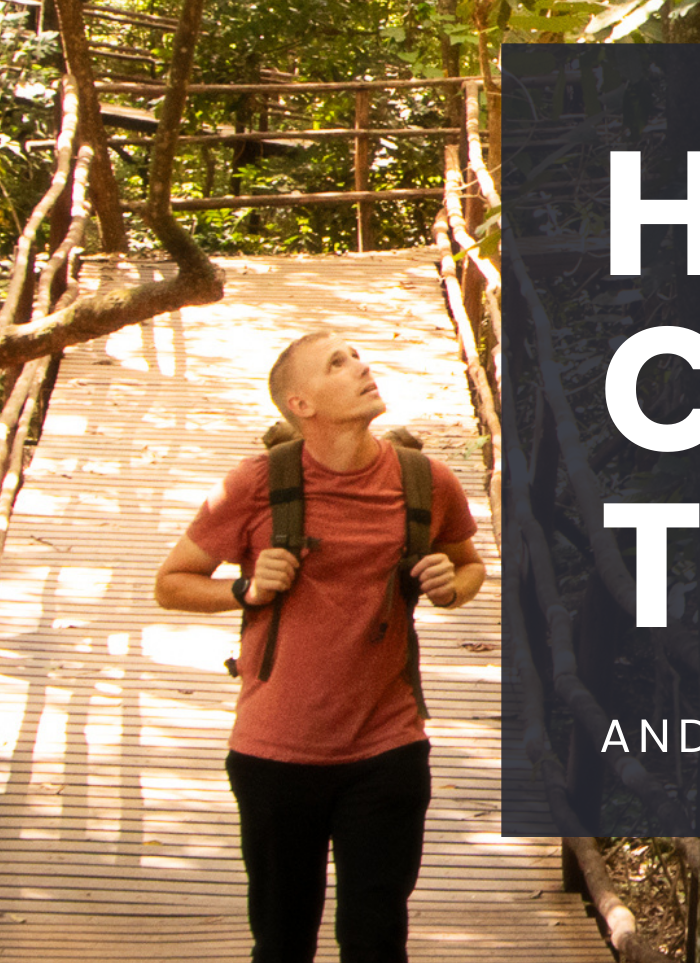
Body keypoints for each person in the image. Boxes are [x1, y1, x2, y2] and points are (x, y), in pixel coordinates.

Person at [154, 330, 486, 963]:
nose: (361, 366)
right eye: (338, 363)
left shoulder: (426, 480)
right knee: (282, 942)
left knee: (376, 938)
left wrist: (451, 585)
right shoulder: (255, 485)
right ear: (301, 404)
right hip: (275, 752)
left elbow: (469, 566)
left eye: (358, 356)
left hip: (388, 746)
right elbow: (170, 583)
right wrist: (245, 589)